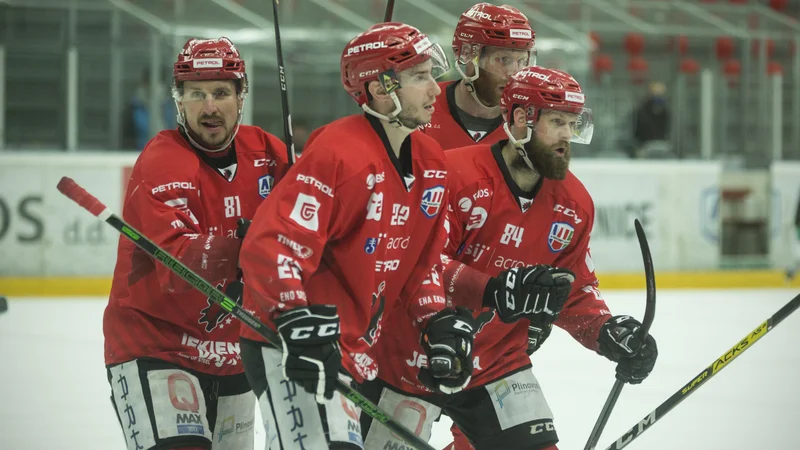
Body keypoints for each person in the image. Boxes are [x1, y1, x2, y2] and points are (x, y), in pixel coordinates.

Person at [362, 67, 659, 450]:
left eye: (573, 124)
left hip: (498, 360)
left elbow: (573, 288)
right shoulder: (451, 174)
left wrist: (605, 331)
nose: (567, 136)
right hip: (411, 353)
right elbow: (420, 261)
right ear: (521, 119)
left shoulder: (574, 204)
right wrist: (493, 289)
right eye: (557, 123)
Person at [238, 23, 477, 449]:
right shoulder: (339, 153)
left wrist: (436, 321)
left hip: (350, 348)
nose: (436, 90)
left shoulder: (432, 163)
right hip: (291, 342)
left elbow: (421, 265)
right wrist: (295, 320)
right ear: (382, 87)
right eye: (420, 76)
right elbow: (272, 246)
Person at [104, 37, 290, 450]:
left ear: (241, 96)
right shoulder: (163, 160)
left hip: (235, 354)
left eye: (221, 93)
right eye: (196, 94)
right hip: (157, 345)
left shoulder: (269, 154)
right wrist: (249, 249)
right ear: (180, 100)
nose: (209, 107)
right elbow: (178, 266)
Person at [422, 3, 536, 149]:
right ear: (468, 54)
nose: (513, 75)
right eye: (503, 59)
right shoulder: (421, 102)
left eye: (522, 62)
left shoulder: (529, 123)